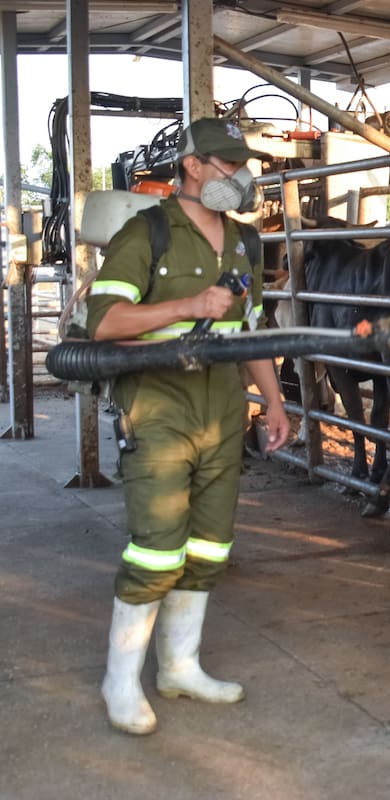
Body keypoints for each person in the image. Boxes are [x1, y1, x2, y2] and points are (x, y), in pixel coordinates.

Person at [86, 117, 291, 735]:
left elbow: (250, 331)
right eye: (228, 165)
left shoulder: (245, 242)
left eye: (243, 165)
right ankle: (120, 681)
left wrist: (274, 402)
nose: (241, 177)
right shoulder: (146, 232)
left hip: (222, 411)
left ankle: (179, 666)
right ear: (193, 166)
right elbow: (105, 322)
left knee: (209, 548)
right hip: (158, 407)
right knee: (156, 550)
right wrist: (189, 306)